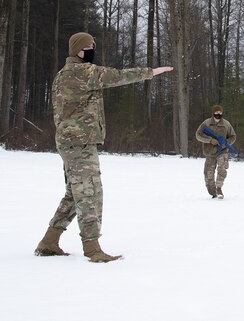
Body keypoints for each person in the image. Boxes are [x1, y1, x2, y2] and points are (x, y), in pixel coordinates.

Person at [35, 32, 173, 262]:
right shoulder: (84, 73)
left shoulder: (62, 74)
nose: (92, 49)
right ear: (77, 49)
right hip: (79, 142)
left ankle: (49, 241)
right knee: (90, 192)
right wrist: (151, 72)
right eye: (88, 46)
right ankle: (92, 247)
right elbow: (118, 76)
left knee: (75, 193)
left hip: (70, 141)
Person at [195, 105, 237, 199]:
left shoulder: (226, 124)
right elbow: (198, 135)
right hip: (210, 152)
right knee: (208, 174)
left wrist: (226, 143)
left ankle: (219, 188)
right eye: (217, 112)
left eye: (220, 113)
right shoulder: (206, 123)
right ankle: (213, 192)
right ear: (213, 113)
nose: (218, 114)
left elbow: (233, 136)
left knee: (222, 169)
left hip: (222, 151)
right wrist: (210, 140)